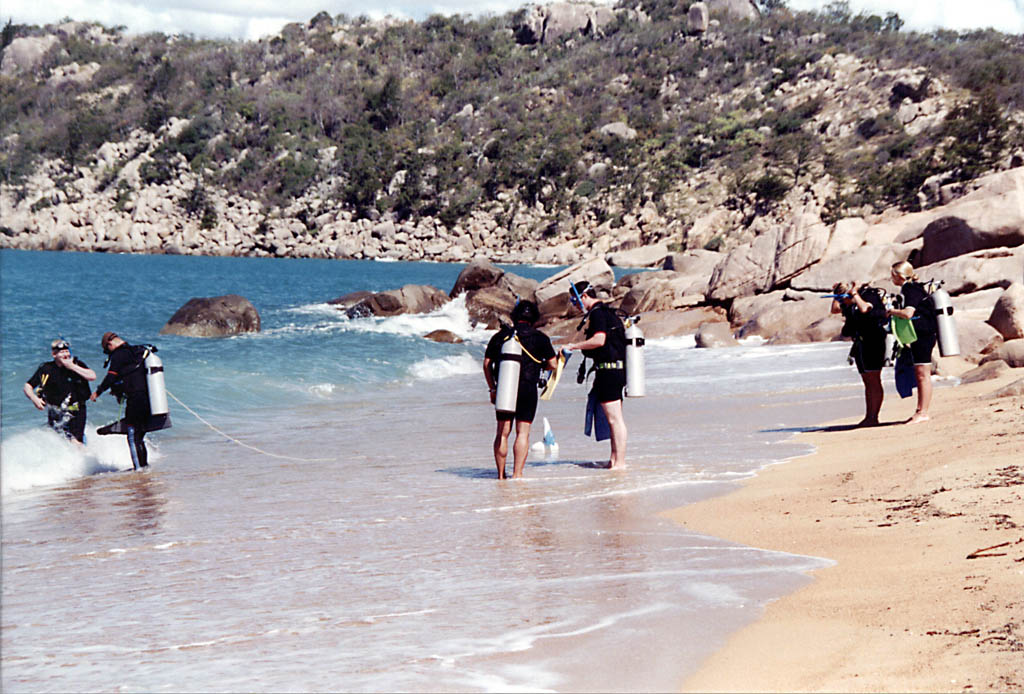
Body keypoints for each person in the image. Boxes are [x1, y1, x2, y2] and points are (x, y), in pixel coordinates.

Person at [483, 300, 558, 479]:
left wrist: (492, 388)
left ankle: (501, 476)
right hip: (527, 388)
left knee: (502, 431)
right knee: (522, 432)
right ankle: (517, 474)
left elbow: (487, 364)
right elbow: (553, 364)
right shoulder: (540, 338)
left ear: (515, 316)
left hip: (504, 389)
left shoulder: (500, 336)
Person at [563, 281, 628, 469]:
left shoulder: (598, 314)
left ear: (584, 296)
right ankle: (615, 459)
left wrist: (574, 346)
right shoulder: (606, 313)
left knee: (615, 419)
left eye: (574, 300)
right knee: (613, 419)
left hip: (609, 371)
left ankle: (620, 462)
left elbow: (599, 340)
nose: (575, 304)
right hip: (613, 370)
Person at [91, 332, 152, 468]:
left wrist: (98, 392)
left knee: (132, 436)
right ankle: (144, 466)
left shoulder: (119, 355)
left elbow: (111, 377)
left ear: (110, 344)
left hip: (135, 399)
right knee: (139, 436)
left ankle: (139, 470)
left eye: (107, 350)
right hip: (149, 398)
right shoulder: (136, 352)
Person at [830, 281, 888, 426]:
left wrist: (854, 293)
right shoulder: (848, 304)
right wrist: (836, 294)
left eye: (842, 298)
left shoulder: (867, 297)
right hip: (860, 344)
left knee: (874, 380)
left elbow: (865, 309)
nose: (841, 301)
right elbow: (835, 310)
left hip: (873, 342)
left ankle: (873, 417)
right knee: (868, 382)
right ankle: (870, 416)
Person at [887, 261, 937, 424]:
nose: (891, 278)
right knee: (921, 373)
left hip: (922, 334)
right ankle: (921, 411)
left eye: (892, 274)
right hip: (922, 333)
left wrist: (891, 311)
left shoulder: (910, 288)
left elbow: (908, 313)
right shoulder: (913, 287)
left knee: (923, 374)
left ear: (898, 275)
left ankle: (922, 412)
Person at [23, 338, 96, 443]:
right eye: (62, 352)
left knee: (75, 441)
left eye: (67, 351)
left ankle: (85, 458)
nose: (66, 354)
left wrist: (72, 366)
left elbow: (92, 376)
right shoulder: (46, 368)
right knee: (57, 440)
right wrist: (34, 399)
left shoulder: (77, 364)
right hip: (55, 412)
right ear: (54, 354)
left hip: (76, 410)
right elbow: (27, 386)